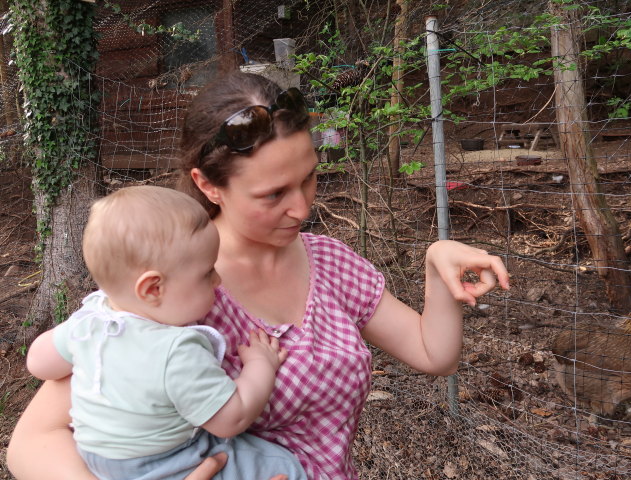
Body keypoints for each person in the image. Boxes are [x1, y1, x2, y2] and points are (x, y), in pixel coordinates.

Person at [7, 72, 510, 480]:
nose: (302, 207)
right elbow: (31, 445)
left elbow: (433, 354)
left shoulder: (329, 262)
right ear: (209, 185)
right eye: (274, 194)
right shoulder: (167, 293)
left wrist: (438, 259)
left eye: (310, 177)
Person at [22, 185, 306, 480]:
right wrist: (262, 363)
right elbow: (233, 418)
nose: (218, 280)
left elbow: (39, 364)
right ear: (153, 289)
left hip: (96, 462)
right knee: (282, 465)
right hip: (168, 463)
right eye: (207, 272)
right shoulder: (177, 351)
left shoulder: (88, 322)